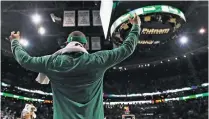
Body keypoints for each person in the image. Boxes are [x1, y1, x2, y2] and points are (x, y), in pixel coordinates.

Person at [9, 14, 141, 119]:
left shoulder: (52, 62)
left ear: (66, 44)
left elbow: (25, 60)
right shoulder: (98, 60)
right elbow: (127, 49)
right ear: (85, 46)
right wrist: (135, 27)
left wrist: (15, 42)